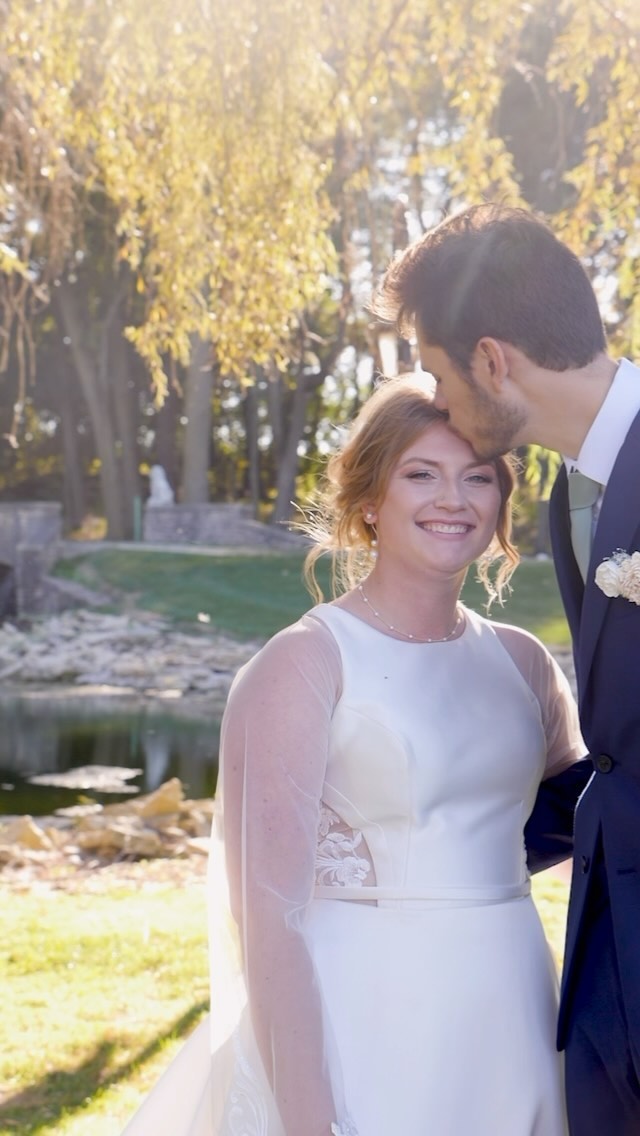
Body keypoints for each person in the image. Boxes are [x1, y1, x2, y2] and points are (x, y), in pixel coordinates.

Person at [122, 375, 583, 1136]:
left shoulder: (523, 661)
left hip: (515, 1014)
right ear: (370, 499)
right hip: (367, 1023)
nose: (453, 499)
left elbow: (586, 821)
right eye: (421, 474)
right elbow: (267, 917)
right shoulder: (305, 661)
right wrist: (310, 1120)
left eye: (478, 478)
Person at [370, 203, 640, 1135]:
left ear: (491, 360)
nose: (439, 404)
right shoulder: (576, 488)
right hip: (605, 968)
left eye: (441, 378)